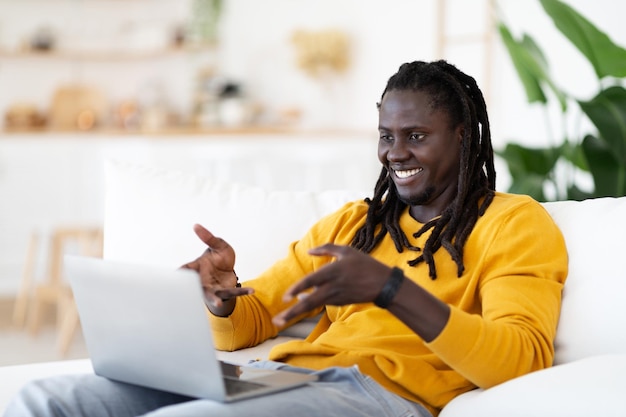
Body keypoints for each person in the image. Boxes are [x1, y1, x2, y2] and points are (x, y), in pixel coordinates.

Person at [5, 60, 567, 417]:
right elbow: (255, 323)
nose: (396, 153)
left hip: (378, 398)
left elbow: (520, 360)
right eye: (386, 136)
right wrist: (223, 298)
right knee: (46, 401)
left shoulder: (514, 223)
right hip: (280, 377)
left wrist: (389, 288)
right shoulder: (355, 225)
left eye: (416, 136)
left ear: (464, 138)